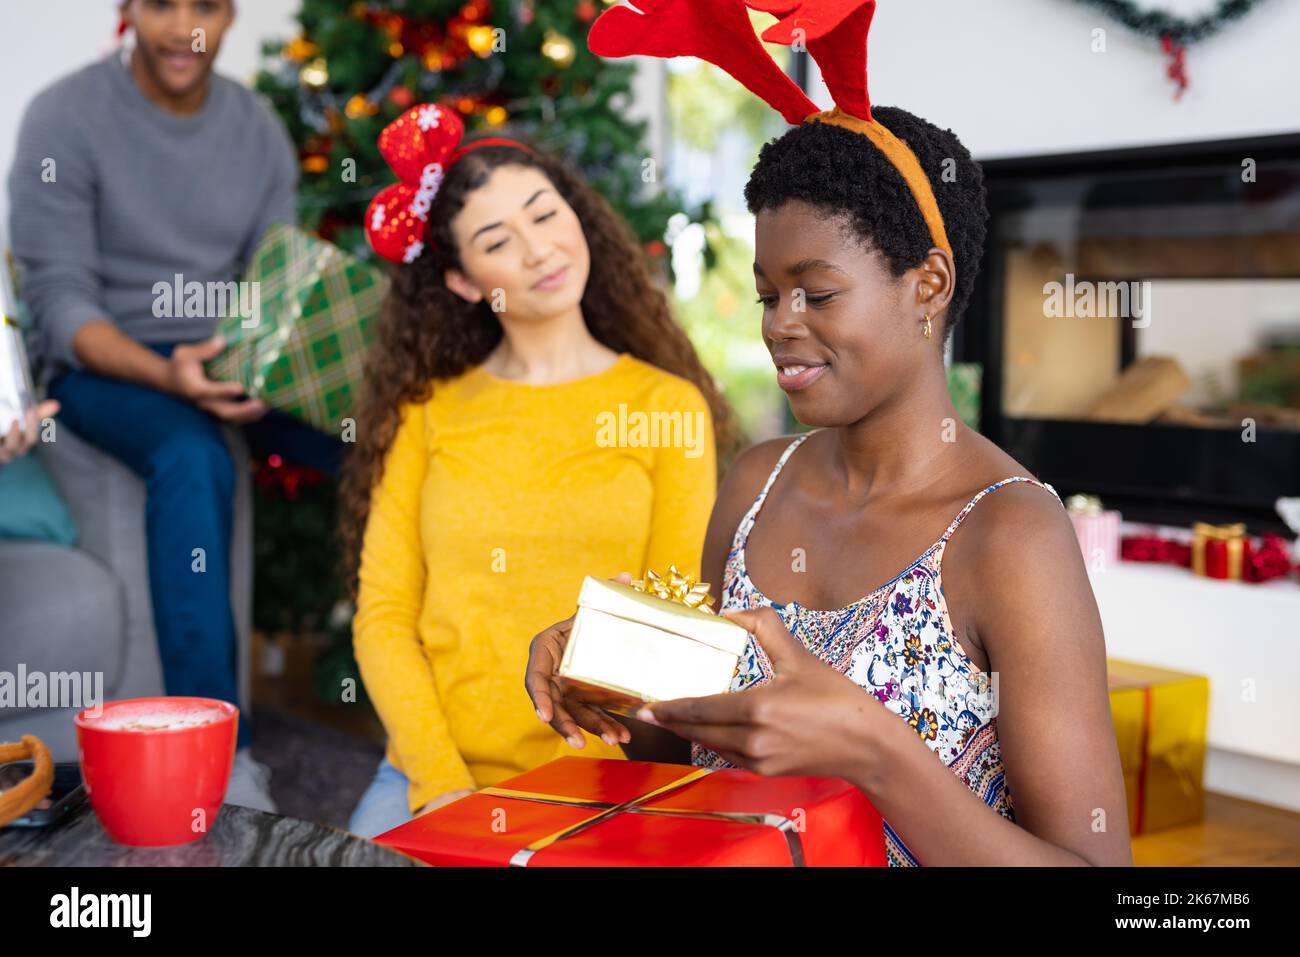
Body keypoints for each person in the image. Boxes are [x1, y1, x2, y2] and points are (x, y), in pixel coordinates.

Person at [524, 0, 1133, 866]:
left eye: (817, 291)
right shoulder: (756, 482)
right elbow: (683, 767)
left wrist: (874, 749)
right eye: (770, 293)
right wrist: (613, 677)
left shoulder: (1009, 535)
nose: (779, 324)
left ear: (927, 286)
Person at [340, 103, 734, 838]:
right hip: (430, 775)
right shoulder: (426, 412)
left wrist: (556, 796)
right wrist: (442, 790)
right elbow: (384, 618)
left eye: (544, 214)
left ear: (578, 217)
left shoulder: (667, 406)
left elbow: (674, 619)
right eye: (497, 239)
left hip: (596, 783)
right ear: (461, 280)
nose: (537, 250)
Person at [6, 0, 340, 811]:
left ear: (230, 17)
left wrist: (262, 365)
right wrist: (170, 378)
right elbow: (60, 305)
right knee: (190, 455)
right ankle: (226, 757)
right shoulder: (64, 117)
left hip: (229, 353)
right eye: (162, 4)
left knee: (381, 436)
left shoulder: (255, 127)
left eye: (207, 7)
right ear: (127, 11)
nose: (183, 28)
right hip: (100, 368)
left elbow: (273, 284)